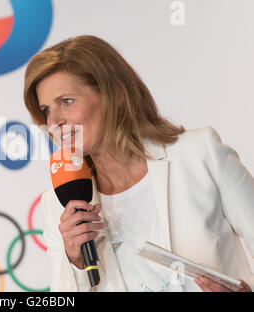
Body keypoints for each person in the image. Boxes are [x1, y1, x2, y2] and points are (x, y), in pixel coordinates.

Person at [23, 35, 254, 292]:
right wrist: (75, 262)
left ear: (114, 95)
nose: (54, 121)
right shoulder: (58, 205)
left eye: (66, 101)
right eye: (46, 110)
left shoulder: (199, 154)